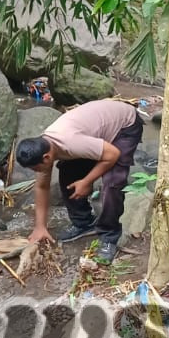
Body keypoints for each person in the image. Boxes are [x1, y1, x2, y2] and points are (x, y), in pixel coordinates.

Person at [15, 99, 143, 262]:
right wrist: (40, 227)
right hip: (95, 131)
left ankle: (110, 236)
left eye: (36, 169)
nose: (38, 172)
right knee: (68, 172)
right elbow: (41, 187)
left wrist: (87, 181)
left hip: (124, 124)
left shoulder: (70, 143)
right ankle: (83, 223)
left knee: (112, 183)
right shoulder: (44, 147)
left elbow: (112, 155)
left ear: (47, 158)